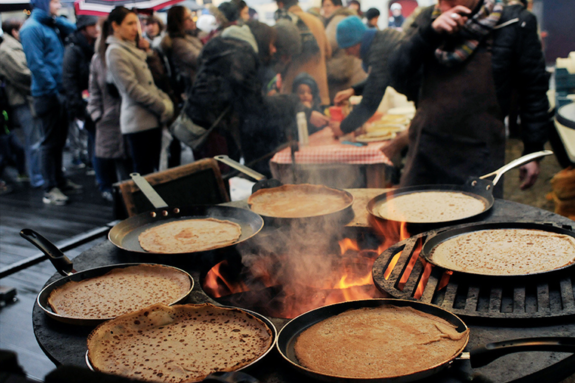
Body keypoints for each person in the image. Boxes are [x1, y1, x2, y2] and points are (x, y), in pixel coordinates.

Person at [388, 0, 550, 196]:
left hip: (479, 152)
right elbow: (397, 73)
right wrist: (429, 33)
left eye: (451, 1)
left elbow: (533, 89)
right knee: (412, 219)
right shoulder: (428, 18)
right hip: (426, 148)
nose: (443, 6)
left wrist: (532, 151)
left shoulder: (514, 22)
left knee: (474, 223)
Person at [20, 0, 83, 205]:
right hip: (47, 95)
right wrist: (53, 91)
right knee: (49, 142)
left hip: (59, 92)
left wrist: (57, 21)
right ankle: (50, 188)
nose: (59, 4)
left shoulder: (50, 25)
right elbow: (36, 64)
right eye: (54, 1)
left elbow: (76, 31)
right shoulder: (31, 29)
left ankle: (60, 180)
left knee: (59, 140)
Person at [105, 6, 174, 175]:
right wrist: (161, 105)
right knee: (145, 174)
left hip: (152, 119)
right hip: (139, 122)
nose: (135, 28)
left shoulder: (133, 48)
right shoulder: (115, 51)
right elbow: (132, 89)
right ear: (115, 26)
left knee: (156, 172)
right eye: (129, 24)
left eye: (135, 23)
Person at [328, 16, 403, 136]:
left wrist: (343, 128)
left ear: (357, 43)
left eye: (347, 48)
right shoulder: (380, 39)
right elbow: (377, 77)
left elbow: (370, 100)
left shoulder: (378, 51)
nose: (347, 54)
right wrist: (353, 90)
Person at [87, 22, 132, 202]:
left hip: (129, 117)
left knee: (129, 164)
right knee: (106, 157)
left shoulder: (130, 53)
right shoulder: (98, 59)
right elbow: (93, 90)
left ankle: (129, 198)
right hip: (108, 117)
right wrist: (97, 114)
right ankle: (110, 191)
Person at [0, 18, 44, 188]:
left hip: (27, 99)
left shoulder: (13, 47)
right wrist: (40, 80)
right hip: (23, 100)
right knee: (33, 141)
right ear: (14, 31)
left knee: (35, 140)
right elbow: (22, 74)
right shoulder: (7, 50)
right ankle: (37, 177)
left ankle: (38, 174)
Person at [276, 0, 332, 105]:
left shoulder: (284, 23)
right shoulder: (316, 21)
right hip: (318, 89)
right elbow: (328, 52)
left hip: (295, 90)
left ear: (280, 4)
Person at [62, 15, 99, 172]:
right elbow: (69, 80)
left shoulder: (95, 46)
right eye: (93, 25)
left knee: (95, 137)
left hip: (94, 98)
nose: (96, 28)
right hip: (82, 101)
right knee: (89, 135)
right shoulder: (73, 49)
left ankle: (93, 163)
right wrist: (77, 106)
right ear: (84, 28)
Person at [322, 0, 366, 101]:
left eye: (328, 5)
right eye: (323, 6)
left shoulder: (337, 21)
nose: (325, 9)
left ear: (338, 6)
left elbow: (326, 47)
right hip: (357, 76)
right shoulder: (348, 18)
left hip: (345, 80)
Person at [161, 5, 203, 92]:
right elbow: (199, 59)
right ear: (178, 22)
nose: (192, 20)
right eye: (188, 18)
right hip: (195, 87)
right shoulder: (178, 42)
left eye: (191, 16)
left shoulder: (189, 36)